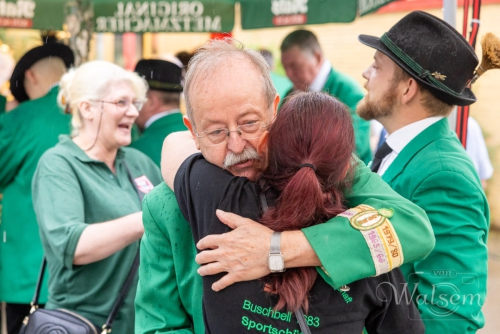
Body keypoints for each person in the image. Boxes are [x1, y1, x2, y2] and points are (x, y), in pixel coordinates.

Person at [135, 38, 435, 334]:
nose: (237, 146)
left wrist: (276, 248)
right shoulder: (167, 205)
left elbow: (413, 229)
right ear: (192, 132)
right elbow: (159, 323)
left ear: (274, 111)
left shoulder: (320, 166)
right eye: (216, 132)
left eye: (250, 123)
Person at [357, 11, 489, 332]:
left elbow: (452, 317)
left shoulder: (445, 177)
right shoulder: (399, 149)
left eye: (376, 66)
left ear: (407, 90)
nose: (365, 73)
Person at [31, 60, 162, 333]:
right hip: (80, 323)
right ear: (87, 108)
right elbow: (73, 245)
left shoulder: (139, 163)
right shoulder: (58, 164)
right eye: (121, 102)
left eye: (135, 103)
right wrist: (150, 217)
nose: (133, 111)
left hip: (142, 322)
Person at [0, 41, 74, 334]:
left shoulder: (21, 118)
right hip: (94, 273)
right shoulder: (99, 109)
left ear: (30, 76)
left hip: (31, 275)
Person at [280, 29, 371, 164]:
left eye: (294, 66)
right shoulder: (290, 95)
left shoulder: (348, 92)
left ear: (317, 58)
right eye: (285, 67)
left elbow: (356, 145)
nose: (288, 74)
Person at [130, 59, 186, 166]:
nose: (131, 108)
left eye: (135, 99)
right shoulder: (200, 134)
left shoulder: (137, 151)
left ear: (151, 101)